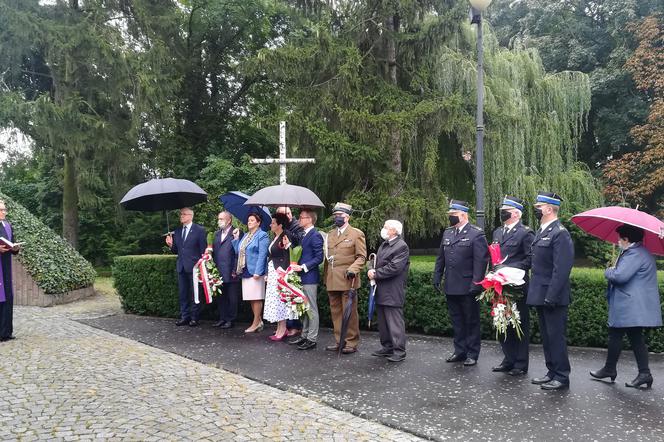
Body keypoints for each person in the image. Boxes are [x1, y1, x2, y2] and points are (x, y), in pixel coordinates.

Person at [590, 224, 662, 389]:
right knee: (628, 337)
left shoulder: (634, 254)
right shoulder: (639, 252)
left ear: (626, 239)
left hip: (630, 305)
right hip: (632, 305)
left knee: (623, 336)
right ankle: (626, 371)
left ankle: (636, 372)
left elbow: (620, 276)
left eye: (620, 238)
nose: (618, 241)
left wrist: (608, 271)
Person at [527, 192, 574, 391]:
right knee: (547, 337)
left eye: (539, 206)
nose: (536, 209)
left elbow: (561, 270)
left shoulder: (560, 233)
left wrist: (551, 296)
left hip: (552, 296)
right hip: (540, 293)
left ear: (548, 209)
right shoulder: (543, 231)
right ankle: (551, 371)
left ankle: (562, 376)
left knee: (556, 337)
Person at [433, 199, 488, 366]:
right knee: (456, 320)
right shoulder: (448, 233)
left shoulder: (476, 234)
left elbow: (481, 261)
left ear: (463, 215)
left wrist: (477, 284)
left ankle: (472, 352)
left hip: (467, 286)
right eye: (450, 215)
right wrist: (437, 275)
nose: (451, 218)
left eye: (454, 215)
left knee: (471, 321)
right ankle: (459, 350)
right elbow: (441, 257)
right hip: (451, 284)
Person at [490, 196, 535, 376]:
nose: (502, 212)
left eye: (506, 210)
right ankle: (508, 358)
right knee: (502, 321)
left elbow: (530, 259)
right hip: (499, 284)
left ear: (516, 213)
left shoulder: (526, 233)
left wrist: (509, 269)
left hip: (516, 286)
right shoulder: (497, 232)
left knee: (519, 323)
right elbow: (493, 257)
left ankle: (520, 363)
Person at [324, 202, 367, 354]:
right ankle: (339, 340)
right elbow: (327, 259)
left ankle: (351, 342)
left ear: (347, 217)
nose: (337, 218)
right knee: (336, 312)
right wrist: (326, 277)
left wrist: (353, 269)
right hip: (332, 278)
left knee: (350, 312)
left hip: (348, 279)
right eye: (335, 215)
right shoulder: (330, 235)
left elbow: (361, 257)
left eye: (339, 216)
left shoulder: (356, 234)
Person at [368, 220, 410, 362]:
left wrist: (376, 273)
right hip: (382, 288)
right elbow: (378, 262)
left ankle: (399, 351)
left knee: (394, 321)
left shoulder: (401, 246)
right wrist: (371, 268)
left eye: (386, 227)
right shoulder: (385, 244)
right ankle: (387, 347)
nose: (383, 229)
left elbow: (395, 267)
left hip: (392, 289)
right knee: (383, 320)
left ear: (394, 231)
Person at [288, 209, 324, 350]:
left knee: (311, 309)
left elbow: (319, 258)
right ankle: (304, 335)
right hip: (302, 276)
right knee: (304, 308)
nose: (299, 220)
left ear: (309, 219)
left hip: (309, 277)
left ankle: (312, 339)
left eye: (302, 218)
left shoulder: (315, 235)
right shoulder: (303, 234)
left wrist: (303, 267)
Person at [165, 207, 207, 327]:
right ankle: (185, 316)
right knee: (183, 293)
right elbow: (177, 250)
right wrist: (170, 245)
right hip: (181, 267)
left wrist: (201, 265)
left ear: (190, 216)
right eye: (180, 214)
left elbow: (203, 250)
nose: (181, 216)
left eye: (183, 214)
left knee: (195, 294)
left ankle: (194, 317)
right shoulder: (177, 231)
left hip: (194, 267)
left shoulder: (199, 230)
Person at [233, 212, 269, 333]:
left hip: (255, 270)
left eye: (252, 220)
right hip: (245, 269)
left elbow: (263, 254)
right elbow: (238, 250)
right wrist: (236, 238)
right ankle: (258, 321)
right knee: (250, 297)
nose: (249, 222)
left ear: (258, 223)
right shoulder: (246, 235)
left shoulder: (262, 235)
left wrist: (258, 272)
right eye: (248, 220)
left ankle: (255, 322)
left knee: (257, 297)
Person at [276, 206, 304, 337]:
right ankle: (286, 325)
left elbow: (299, 242)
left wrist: (286, 231)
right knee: (285, 296)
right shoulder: (280, 226)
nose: (287, 215)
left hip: (294, 264)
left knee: (293, 296)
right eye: (284, 214)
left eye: (288, 213)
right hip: (282, 265)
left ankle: (296, 326)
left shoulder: (297, 226)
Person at [263, 213, 291, 341]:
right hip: (272, 270)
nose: (271, 225)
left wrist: (283, 273)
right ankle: (280, 328)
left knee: (280, 300)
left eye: (273, 223)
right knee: (275, 300)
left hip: (280, 271)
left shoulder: (285, 236)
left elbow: (287, 255)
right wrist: (267, 273)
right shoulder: (274, 237)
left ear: (280, 225)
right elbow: (270, 255)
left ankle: (283, 328)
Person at [212, 211, 242, 329]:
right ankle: (222, 318)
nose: (219, 221)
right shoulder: (216, 234)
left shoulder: (236, 233)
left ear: (229, 220)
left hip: (231, 270)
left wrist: (235, 269)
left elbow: (238, 253)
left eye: (221, 219)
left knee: (232, 298)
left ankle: (231, 319)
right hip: (218, 271)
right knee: (221, 297)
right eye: (218, 219)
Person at [0, 200, 20, 342]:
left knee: (7, 297)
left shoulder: (8, 226)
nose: (3, 212)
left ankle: (6, 332)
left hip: (6, 266)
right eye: (1, 210)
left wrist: (15, 248)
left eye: (4, 209)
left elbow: (11, 244)